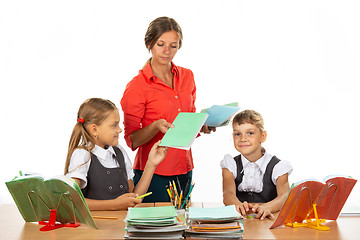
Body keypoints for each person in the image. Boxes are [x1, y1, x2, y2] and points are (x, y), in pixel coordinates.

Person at [120, 16, 214, 202]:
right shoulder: (137, 86)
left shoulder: (187, 76)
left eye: (173, 45)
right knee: (156, 228)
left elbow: (187, 120)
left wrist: (201, 125)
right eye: (160, 44)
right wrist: (155, 126)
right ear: (149, 43)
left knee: (182, 225)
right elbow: (132, 141)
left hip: (185, 167)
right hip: (154, 172)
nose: (167, 51)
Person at [64, 98, 168, 210]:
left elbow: (134, 196)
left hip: (122, 224)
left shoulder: (120, 152)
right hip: (98, 225)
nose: (120, 130)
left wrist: (151, 164)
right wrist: (115, 204)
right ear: (94, 130)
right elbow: (71, 198)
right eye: (114, 125)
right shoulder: (82, 154)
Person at [221, 110, 292, 220]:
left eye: (250, 133)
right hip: (242, 221)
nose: (243, 139)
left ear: (262, 136)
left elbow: (285, 196)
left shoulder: (277, 166)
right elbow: (227, 193)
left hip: (269, 221)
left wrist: (268, 207)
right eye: (237, 134)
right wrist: (236, 204)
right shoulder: (230, 164)